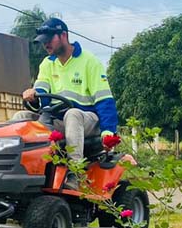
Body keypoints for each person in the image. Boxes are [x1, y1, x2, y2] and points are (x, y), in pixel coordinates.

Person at [12, 18, 119, 190]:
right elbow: (42, 93)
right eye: (43, 41)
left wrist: (108, 132)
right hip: (58, 120)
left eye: (49, 39)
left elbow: (104, 100)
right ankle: (18, 170)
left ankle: (75, 174)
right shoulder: (48, 63)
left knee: (73, 114)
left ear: (63, 35)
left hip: (87, 121)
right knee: (21, 117)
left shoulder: (89, 61)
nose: (46, 44)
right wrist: (33, 95)